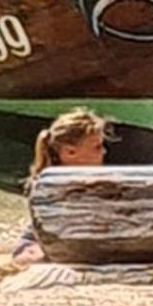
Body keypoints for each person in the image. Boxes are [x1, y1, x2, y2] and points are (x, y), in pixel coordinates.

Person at [12, 107, 109, 265]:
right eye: (97, 147)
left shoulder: (95, 182)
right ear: (70, 152)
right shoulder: (48, 185)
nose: (104, 152)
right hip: (36, 245)